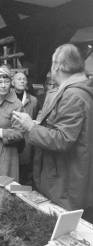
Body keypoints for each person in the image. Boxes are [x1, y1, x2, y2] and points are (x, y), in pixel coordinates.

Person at [13, 44, 93, 211]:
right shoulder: (76, 91)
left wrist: (31, 127)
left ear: (57, 66)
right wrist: (38, 125)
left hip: (67, 182)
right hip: (73, 178)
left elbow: (63, 139)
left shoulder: (73, 95)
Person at [12, 71, 38, 185]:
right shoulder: (7, 98)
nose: (22, 81)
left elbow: (35, 120)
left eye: (24, 79)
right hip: (12, 139)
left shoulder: (33, 100)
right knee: (12, 172)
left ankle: (24, 197)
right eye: (19, 79)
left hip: (27, 142)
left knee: (25, 173)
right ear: (12, 82)